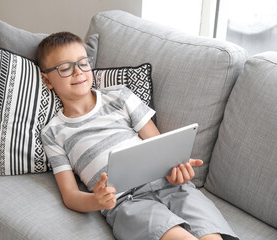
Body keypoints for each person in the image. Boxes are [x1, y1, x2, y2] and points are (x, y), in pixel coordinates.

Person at [39, 32, 238, 240]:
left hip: (170, 186)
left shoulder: (119, 96)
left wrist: (177, 169)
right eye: (64, 68)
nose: (78, 72)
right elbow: (70, 196)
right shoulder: (53, 133)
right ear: (47, 80)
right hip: (127, 203)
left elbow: (158, 145)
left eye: (83, 63)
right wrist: (96, 201)